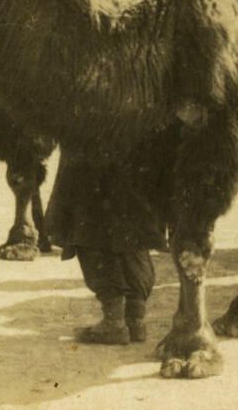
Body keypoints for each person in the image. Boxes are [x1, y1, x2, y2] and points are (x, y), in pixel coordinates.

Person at [44, 145, 167, 345]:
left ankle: (114, 321)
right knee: (133, 221)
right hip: (139, 141)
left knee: (92, 220)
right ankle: (135, 319)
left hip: (92, 141)